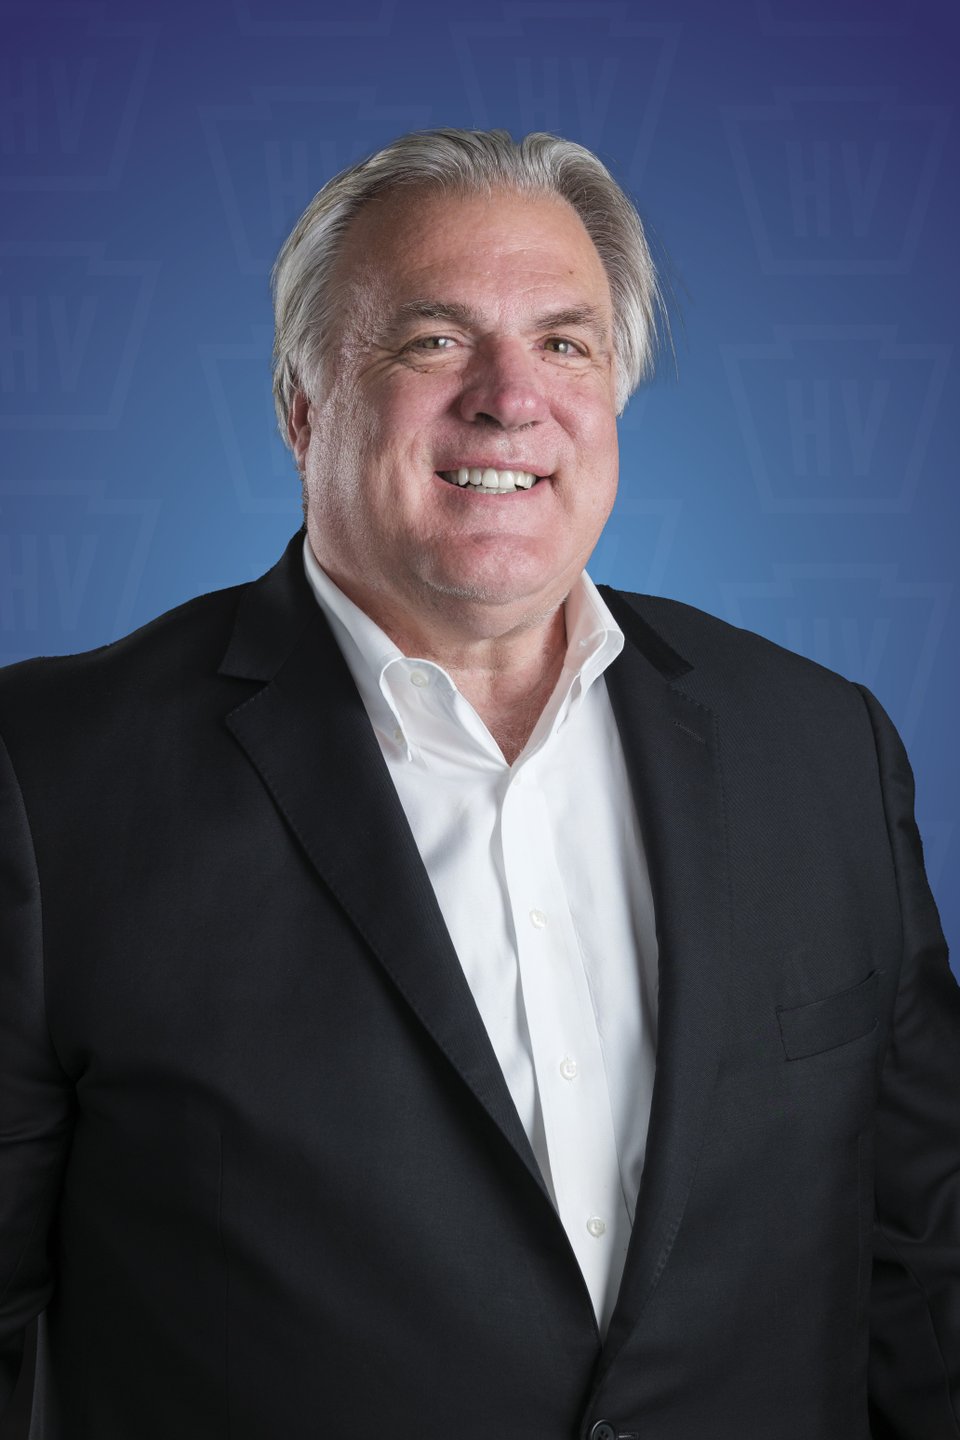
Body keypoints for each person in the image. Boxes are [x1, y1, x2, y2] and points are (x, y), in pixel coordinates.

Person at [0, 128, 957, 1440]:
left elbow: (926, 1273)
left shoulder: (820, 745)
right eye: (433, 340)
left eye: (565, 342)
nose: (512, 399)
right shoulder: (49, 781)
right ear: (301, 405)